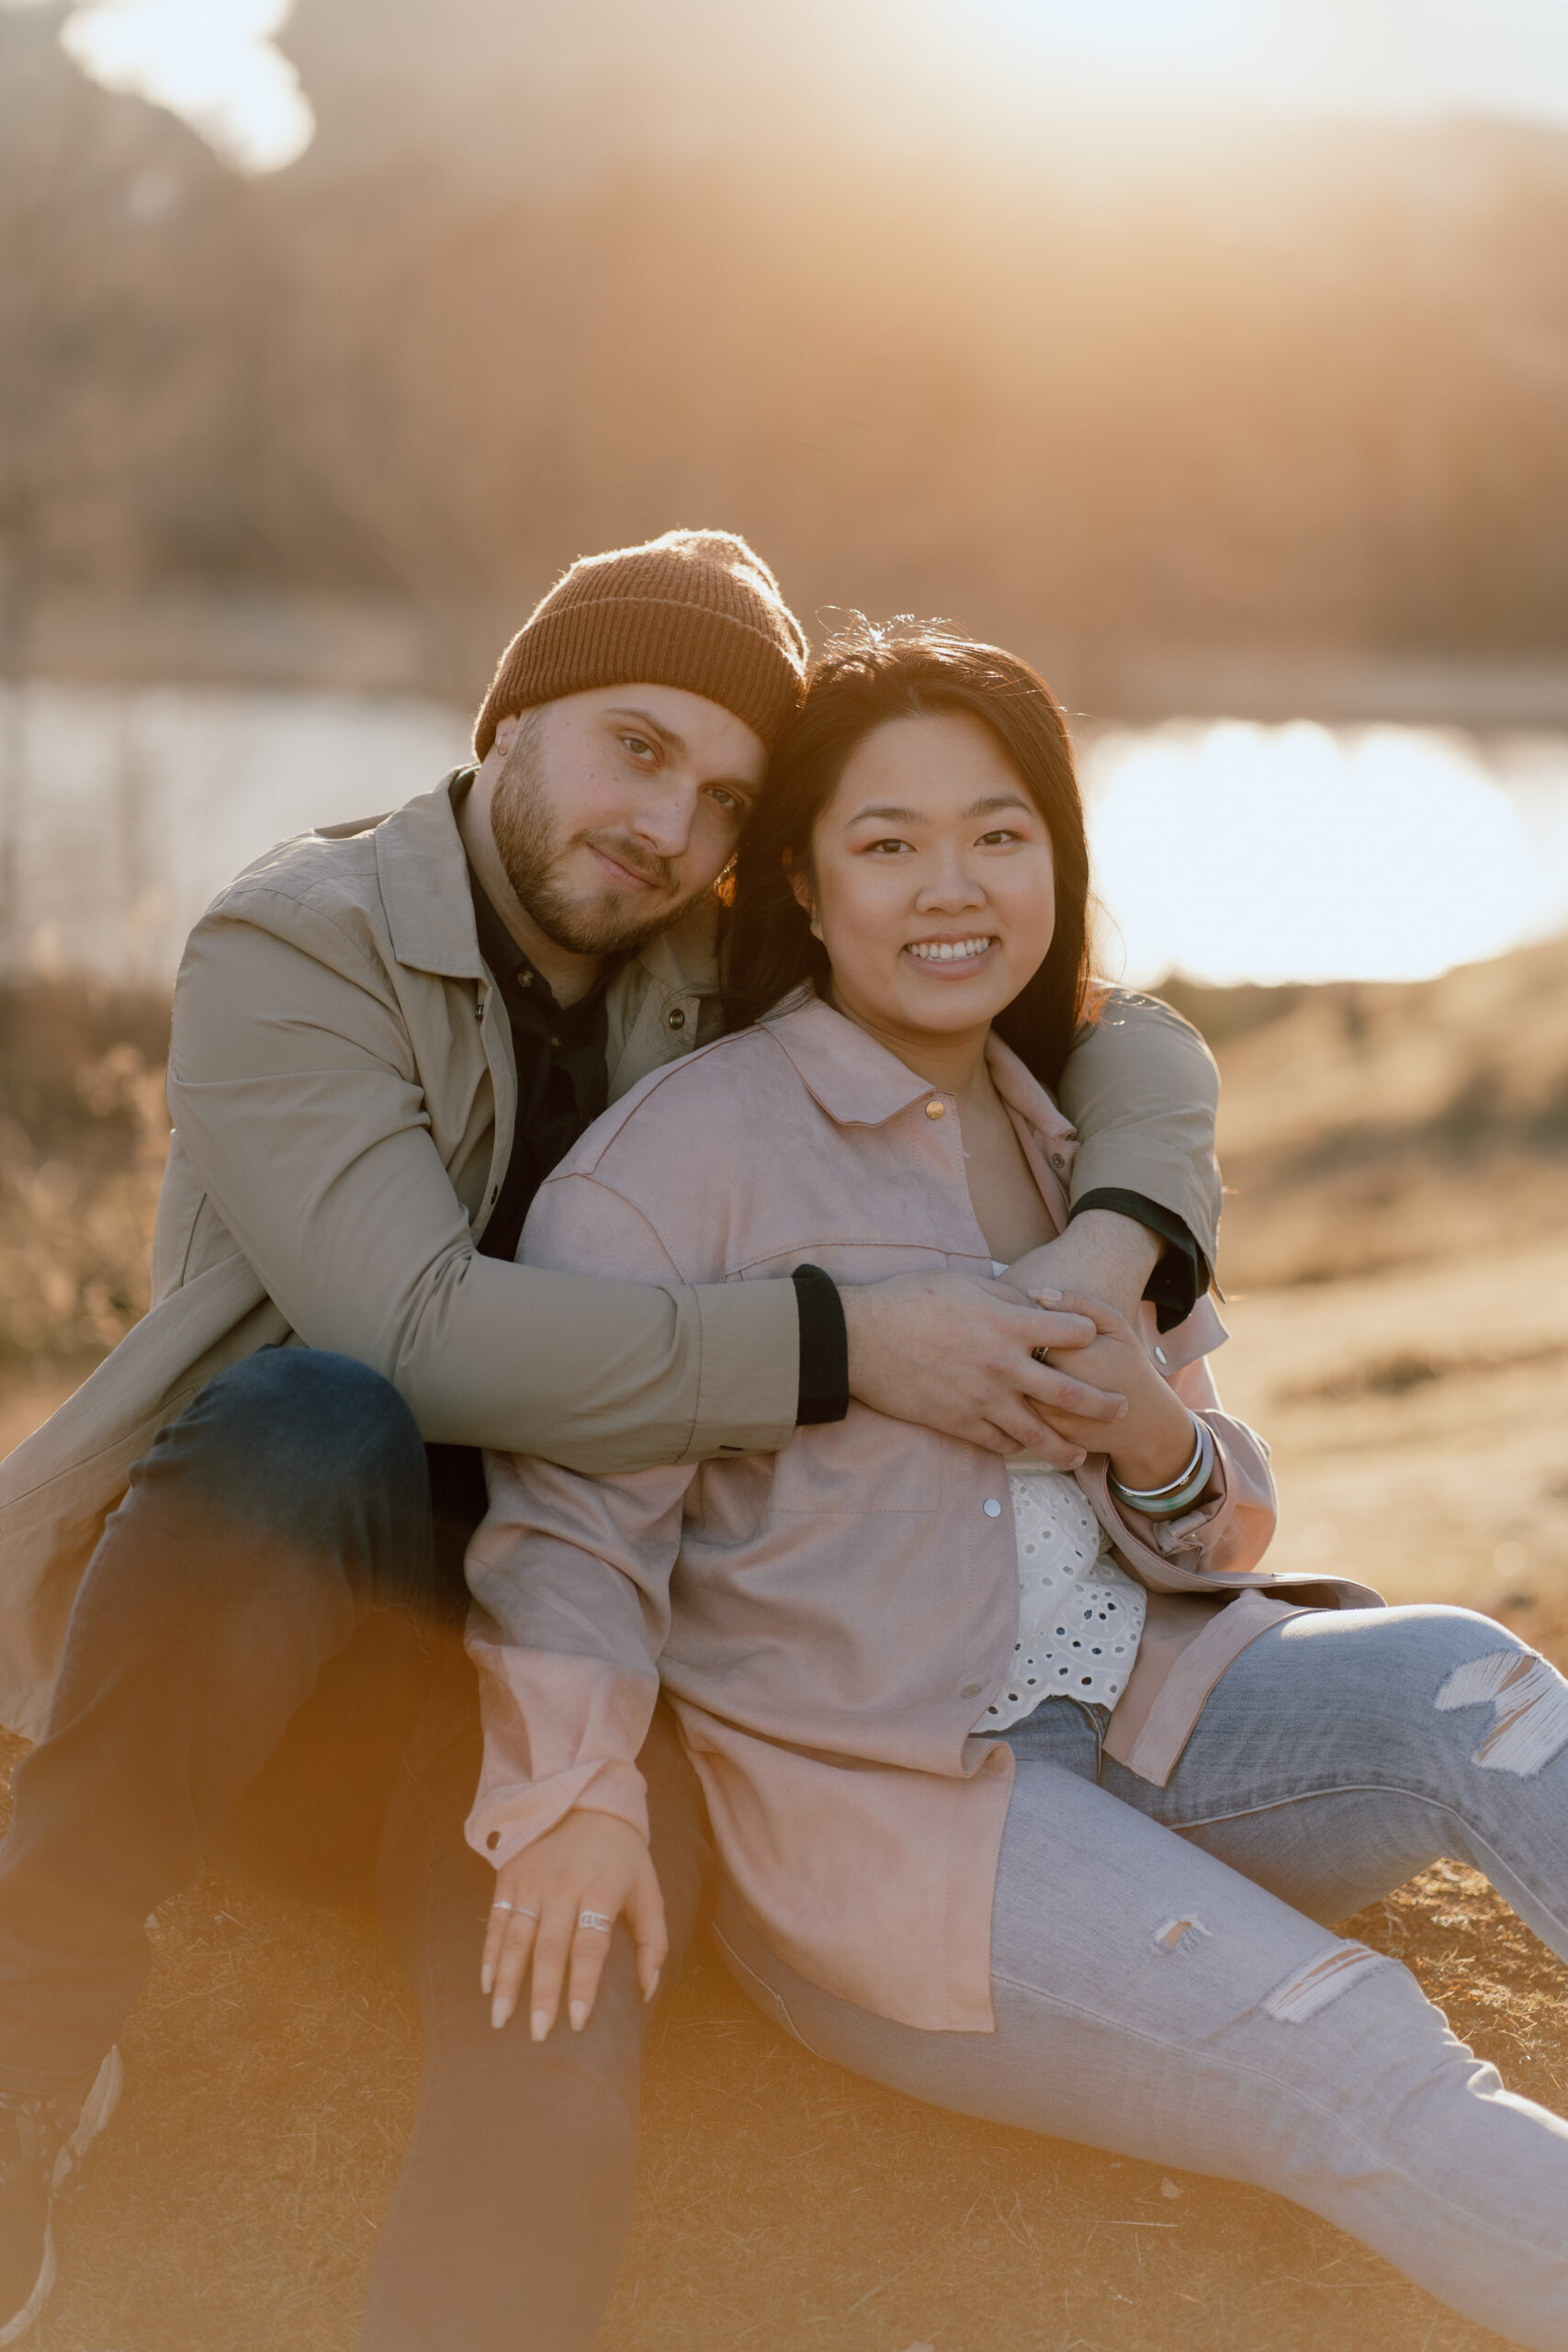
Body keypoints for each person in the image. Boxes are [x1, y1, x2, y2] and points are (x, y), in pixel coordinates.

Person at [0, 537, 1225, 2349]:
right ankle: (41, 2024)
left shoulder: (704, 949)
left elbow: (1123, 1041)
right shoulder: (293, 942)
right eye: (633, 748)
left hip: (552, 1651)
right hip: (258, 1628)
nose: (667, 823)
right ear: (514, 720)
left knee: (553, 2042)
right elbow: (410, 1334)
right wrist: (839, 1341)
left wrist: (1103, 1248)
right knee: (309, 1414)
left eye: (725, 792)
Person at [473, 619, 1568, 2352]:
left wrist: (1154, 1435)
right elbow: (566, 1544)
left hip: (1169, 1718)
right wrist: (568, 1797)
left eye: (999, 833)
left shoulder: (1076, 1135)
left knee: (1495, 1696)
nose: (949, 886)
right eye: (886, 843)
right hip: (906, 1823)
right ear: (805, 891)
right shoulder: (669, 1171)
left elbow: (1220, 1521)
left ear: (1057, 860)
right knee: (1348, 2047)